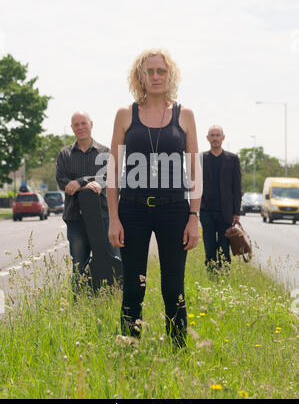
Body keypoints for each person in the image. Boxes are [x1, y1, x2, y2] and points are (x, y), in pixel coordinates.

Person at [106, 48, 202, 347]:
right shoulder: (125, 115)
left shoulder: (184, 115)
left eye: (161, 71)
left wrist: (194, 217)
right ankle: (128, 347)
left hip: (174, 210)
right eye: (150, 71)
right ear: (141, 77)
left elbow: (195, 170)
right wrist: (113, 218)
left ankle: (177, 349)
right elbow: (111, 170)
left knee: (173, 286)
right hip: (132, 210)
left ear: (169, 74)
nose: (156, 76)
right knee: (133, 286)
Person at [56, 111, 115, 286]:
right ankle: (79, 303)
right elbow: (63, 183)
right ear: (72, 128)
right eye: (76, 124)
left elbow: (107, 179)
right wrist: (88, 183)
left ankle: (110, 299)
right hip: (75, 219)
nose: (80, 127)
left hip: (103, 217)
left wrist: (80, 182)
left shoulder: (105, 152)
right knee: (79, 267)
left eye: (84, 123)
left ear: (91, 124)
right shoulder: (64, 155)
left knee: (111, 262)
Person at [200, 125, 241, 272]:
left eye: (218, 135)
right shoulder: (201, 158)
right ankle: (211, 276)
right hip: (206, 211)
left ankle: (224, 277)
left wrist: (236, 212)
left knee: (224, 247)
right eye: (212, 135)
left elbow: (237, 188)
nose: (215, 138)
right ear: (207, 138)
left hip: (226, 212)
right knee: (209, 247)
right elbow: (195, 184)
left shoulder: (233, 159)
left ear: (223, 137)